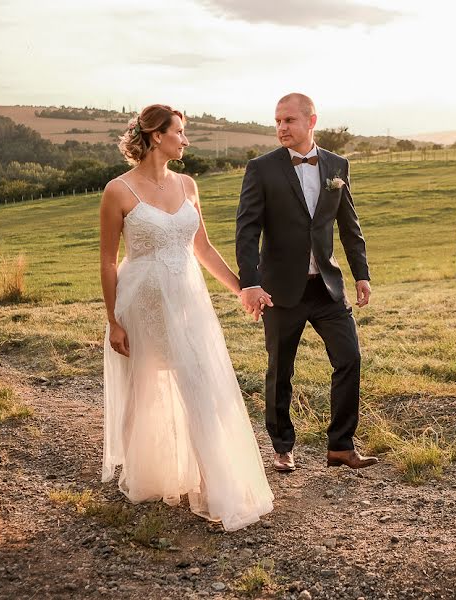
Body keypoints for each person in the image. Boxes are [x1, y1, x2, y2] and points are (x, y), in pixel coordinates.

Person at [100, 104, 273, 531]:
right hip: (140, 303)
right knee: (144, 389)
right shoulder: (118, 191)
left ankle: (218, 489)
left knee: (200, 385)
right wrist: (113, 321)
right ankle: (144, 473)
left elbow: (203, 249)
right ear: (156, 136)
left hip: (187, 301)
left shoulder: (188, 184)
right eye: (179, 132)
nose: (185, 139)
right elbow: (107, 261)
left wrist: (242, 289)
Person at [235, 93, 378, 472]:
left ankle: (341, 446)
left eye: (289, 120)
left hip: (327, 287)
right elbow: (247, 231)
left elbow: (350, 225)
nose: (281, 127)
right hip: (279, 289)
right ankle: (282, 447)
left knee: (349, 358)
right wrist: (249, 283)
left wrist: (361, 274)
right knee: (280, 369)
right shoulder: (261, 169)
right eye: (277, 121)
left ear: (311, 121)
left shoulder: (337, 165)